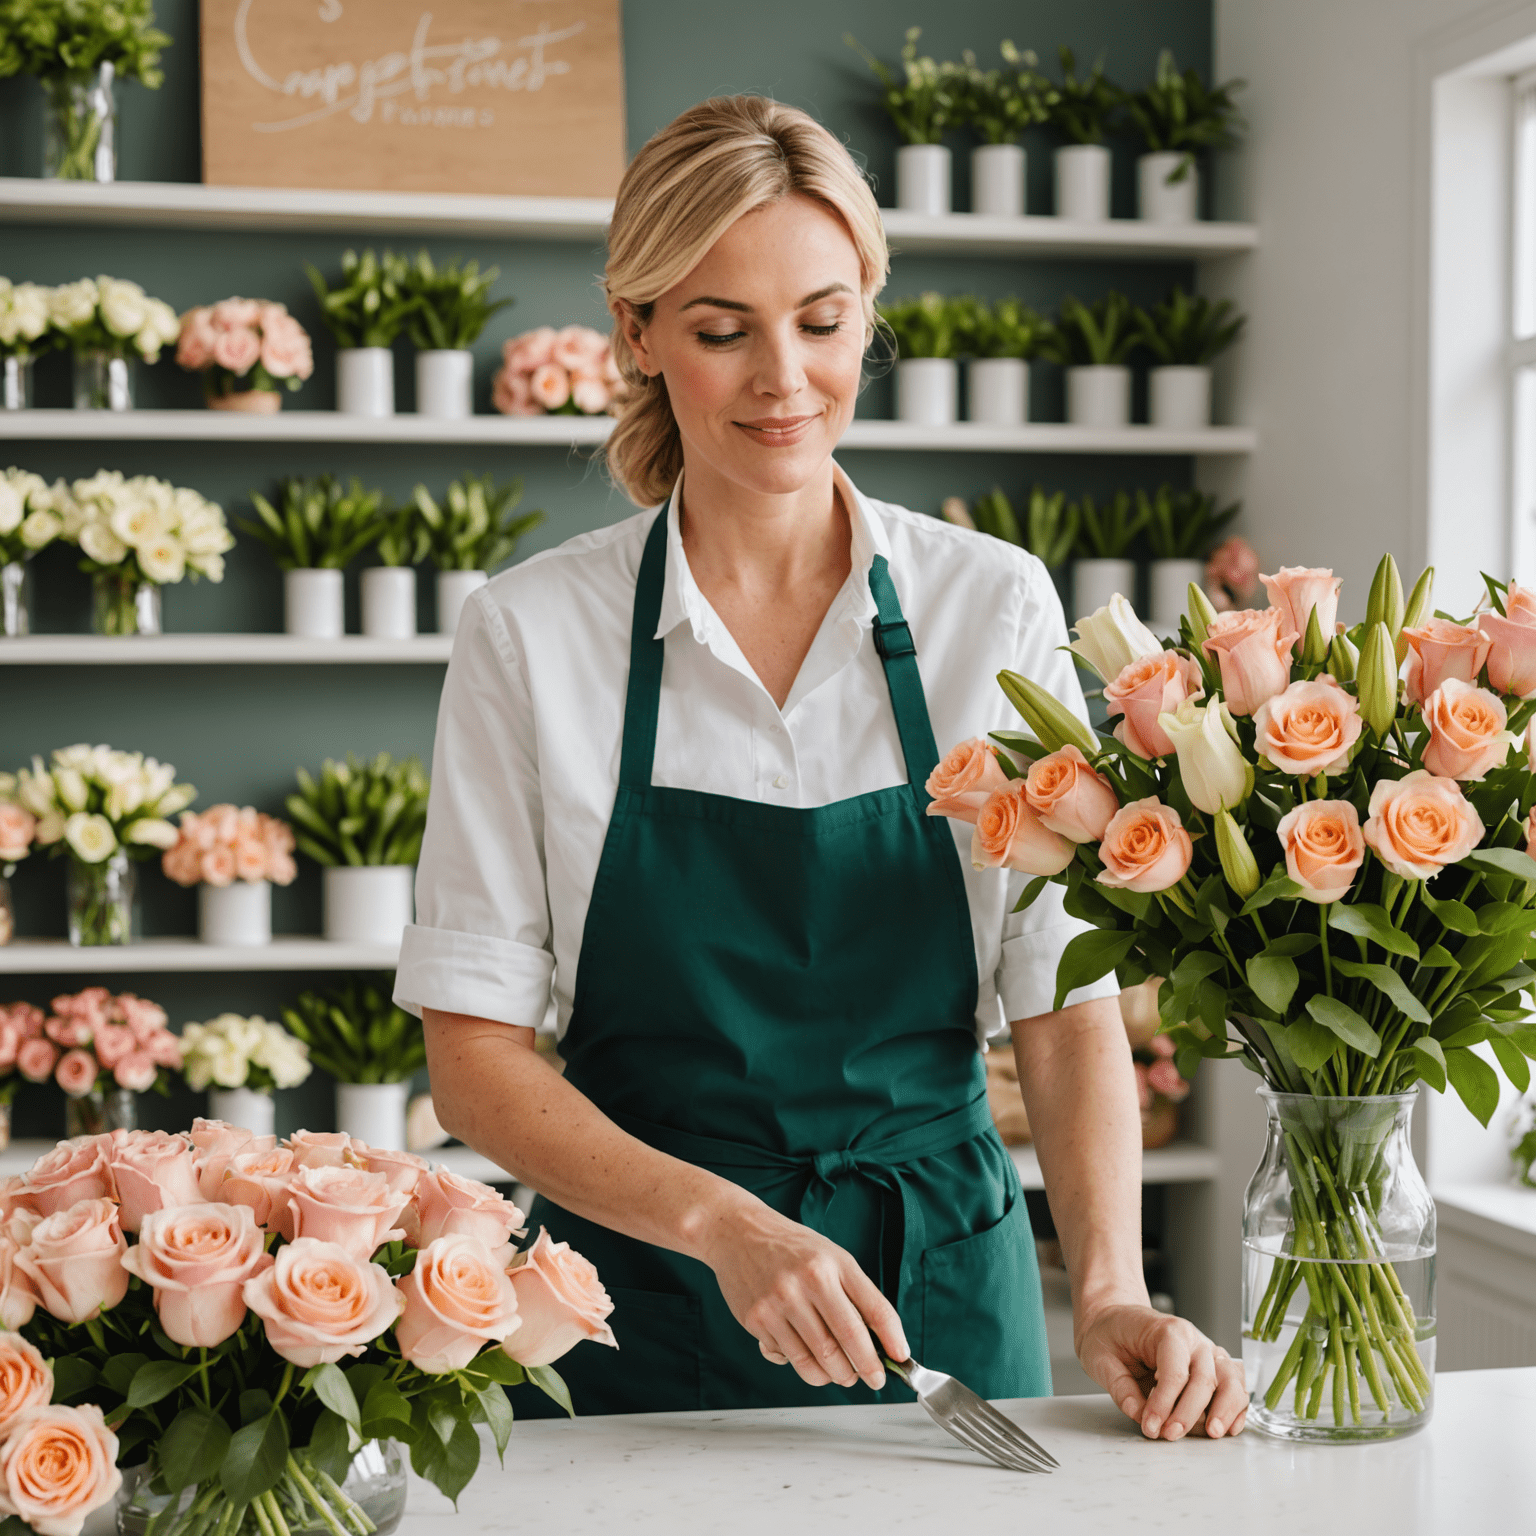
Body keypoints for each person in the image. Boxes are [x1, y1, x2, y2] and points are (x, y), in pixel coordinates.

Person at [395, 94, 1247, 1441]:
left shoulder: (991, 604)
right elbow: (476, 1058)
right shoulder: (533, 634)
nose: (784, 377)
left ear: (869, 315)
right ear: (639, 333)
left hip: (946, 1290)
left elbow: (1058, 992)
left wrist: (1110, 1291)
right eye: (724, 330)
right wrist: (724, 1225)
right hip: (640, 1300)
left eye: (824, 320)